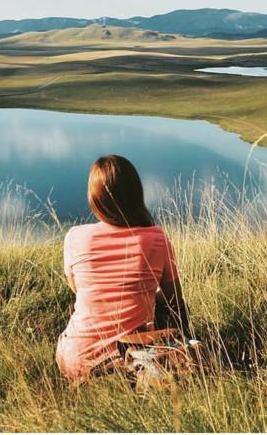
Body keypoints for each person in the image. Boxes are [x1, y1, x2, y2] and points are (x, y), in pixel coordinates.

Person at [56, 154, 189, 379]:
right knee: (172, 311)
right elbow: (174, 298)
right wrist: (147, 293)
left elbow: (78, 289)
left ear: (94, 198)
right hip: (126, 359)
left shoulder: (75, 237)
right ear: (136, 193)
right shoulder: (157, 239)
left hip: (73, 358)